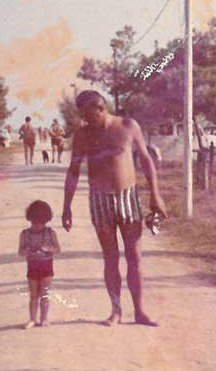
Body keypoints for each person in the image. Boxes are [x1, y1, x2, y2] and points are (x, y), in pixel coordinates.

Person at [62, 90, 167, 326]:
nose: (86, 120)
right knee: (110, 259)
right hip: (100, 201)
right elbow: (73, 171)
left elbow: (145, 160)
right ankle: (116, 311)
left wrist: (156, 195)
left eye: (89, 115)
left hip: (128, 198)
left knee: (134, 257)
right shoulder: (82, 136)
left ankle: (139, 312)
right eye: (83, 116)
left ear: (101, 108)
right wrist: (66, 206)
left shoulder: (128, 126)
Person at [18, 200, 62, 328]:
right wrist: (26, 251)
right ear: (30, 219)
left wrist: (49, 249)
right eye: (34, 222)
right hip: (32, 267)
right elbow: (20, 251)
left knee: (45, 295)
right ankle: (32, 319)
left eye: (40, 222)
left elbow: (58, 249)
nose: (37, 225)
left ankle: (44, 318)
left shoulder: (50, 233)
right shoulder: (24, 234)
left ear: (46, 220)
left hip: (46, 268)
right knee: (33, 296)